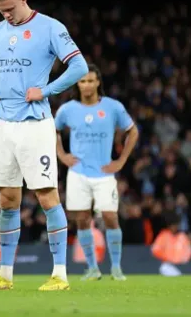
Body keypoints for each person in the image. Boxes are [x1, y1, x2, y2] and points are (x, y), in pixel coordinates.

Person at [0, 0, 88, 291]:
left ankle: (60, 275)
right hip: (2, 123)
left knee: (46, 195)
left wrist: (47, 90)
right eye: (1, 11)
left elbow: (79, 67)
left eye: (9, 9)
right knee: (7, 198)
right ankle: (5, 275)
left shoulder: (50, 27)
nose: (6, 15)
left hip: (35, 124)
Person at [55, 64, 139, 281]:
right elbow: (52, 130)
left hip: (104, 173)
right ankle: (92, 268)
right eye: (82, 81)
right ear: (78, 84)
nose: (86, 85)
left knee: (111, 217)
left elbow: (133, 131)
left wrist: (121, 161)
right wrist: (62, 156)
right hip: (77, 173)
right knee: (82, 219)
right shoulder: (68, 109)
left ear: (98, 82)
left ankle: (116, 268)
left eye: (91, 80)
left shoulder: (112, 107)